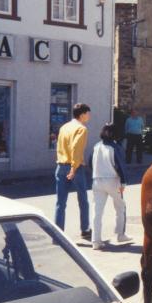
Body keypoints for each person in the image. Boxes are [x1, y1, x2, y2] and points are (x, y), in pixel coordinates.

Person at [90, 123, 132, 250]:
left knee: (97, 212)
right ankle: (120, 235)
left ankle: (96, 241)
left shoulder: (96, 146)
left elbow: (90, 162)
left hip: (97, 180)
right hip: (113, 181)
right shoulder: (115, 147)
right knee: (120, 207)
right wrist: (123, 182)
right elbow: (120, 166)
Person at [55, 103, 92, 240]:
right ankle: (85, 229)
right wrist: (73, 167)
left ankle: (58, 233)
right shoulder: (81, 129)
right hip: (75, 168)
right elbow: (76, 148)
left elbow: (59, 147)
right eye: (88, 113)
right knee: (83, 200)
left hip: (60, 165)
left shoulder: (64, 127)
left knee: (60, 202)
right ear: (82, 115)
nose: (89, 116)